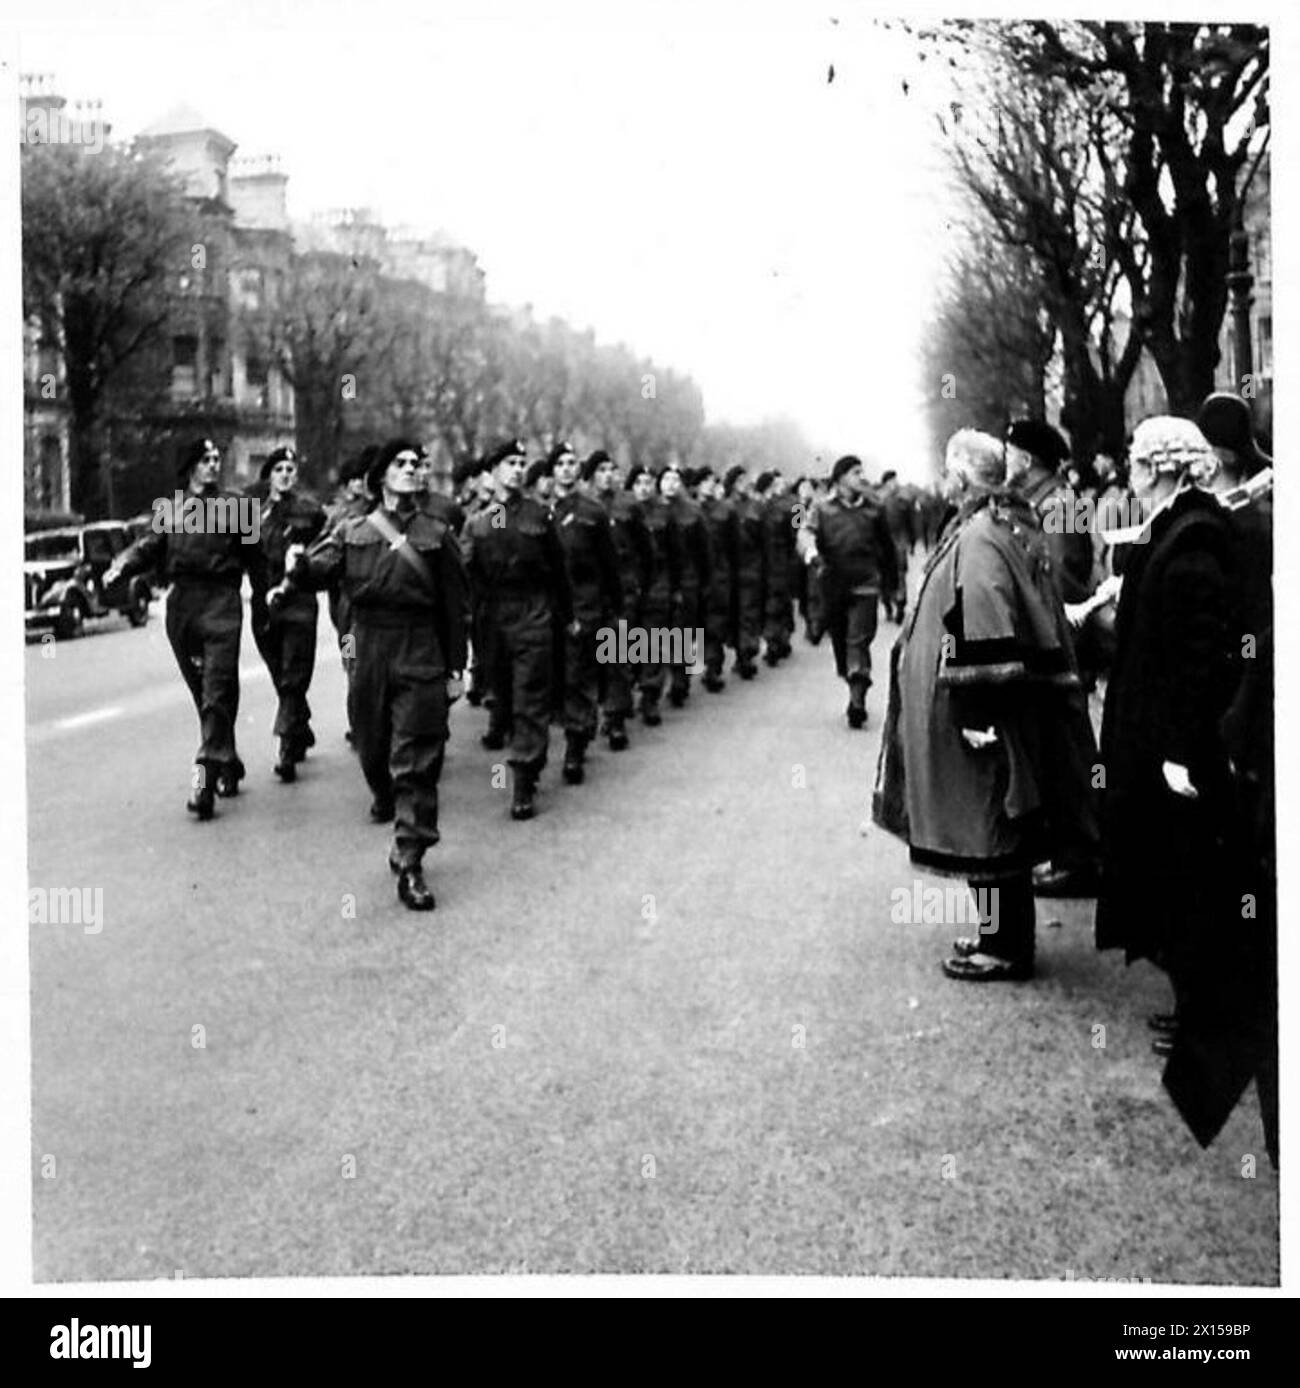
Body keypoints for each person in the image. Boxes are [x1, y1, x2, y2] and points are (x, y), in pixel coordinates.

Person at [873, 429, 1099, 982]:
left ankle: (1005, 947)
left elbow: (986, 618)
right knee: (998, 823)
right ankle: (1000, 935)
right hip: (995, 709)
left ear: (960, 477)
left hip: (978, 714)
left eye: (950, 471)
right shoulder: (1004, 521)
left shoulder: (980, 535)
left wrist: (978, 715)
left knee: (989, 829)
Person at [273, 439, 468, 910]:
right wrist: (295, 571)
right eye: (400, 465)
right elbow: (320, 569)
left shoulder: (437, 534)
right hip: (368, 646)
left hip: (420, 646)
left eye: (416, 465)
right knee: (373, 746)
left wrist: (455, 667)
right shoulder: (352, 529)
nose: (411, 471)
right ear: (381, 476)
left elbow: (455, 607)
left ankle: (411, 855)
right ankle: (387, 800)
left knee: (417, 757)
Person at [103, 437, 252, 818]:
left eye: (217, 458)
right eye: (206, 459)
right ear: (190, 467)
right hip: (182, 606)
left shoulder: (237, 507)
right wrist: (120, 566)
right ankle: (227, 759)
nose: (214, 465)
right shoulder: (170, 509)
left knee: (217, 691)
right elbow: (148, 546)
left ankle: (204, 779)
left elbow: (258, 557)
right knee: (205, 693)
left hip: (222, 603)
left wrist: (270, 595)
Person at [462, 438, 572, 819]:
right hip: (494, 620)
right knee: (504, 697)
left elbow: (559, 572)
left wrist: (566, 616)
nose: (517, 468)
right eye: (509, 462)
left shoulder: (540, 516)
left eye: (522, 462)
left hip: (533, 614)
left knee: (530, 700)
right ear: (493, 472)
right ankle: (521, 758)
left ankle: (523, 779)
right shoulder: (481, 520)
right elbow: (467, 574)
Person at [247, 445, 327, 781]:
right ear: (268, 476)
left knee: (294, 674)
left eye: (290, 470)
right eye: (278, 469)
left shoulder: (310, 511)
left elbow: (325, 546)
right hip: (263, 604)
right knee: (280, 673)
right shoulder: (252, 513)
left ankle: (285, 749)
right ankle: (300, 726)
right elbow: (243, 554)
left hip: (299, 602)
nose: (285, 475)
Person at [802, 455, 898, 729]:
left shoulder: (874, 509)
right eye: (856, 472)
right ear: (840, 477)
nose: (862, 477)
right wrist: (810, 552)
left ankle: (857, 699)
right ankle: (852, 676)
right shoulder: (820, 508)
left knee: (858, 640)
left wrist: (891, 584)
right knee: (842, 643)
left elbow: (887, 548)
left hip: (866, 583)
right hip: (833, 585)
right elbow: (804, 533)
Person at [550, 441, 623, 783]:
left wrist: (616, 609)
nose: (566, 469)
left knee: (579, 679)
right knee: (550, 682)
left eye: (571, 463)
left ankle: (575, 749)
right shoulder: (539, 511)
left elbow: (610, 567)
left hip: (584, 607)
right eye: (559, 464)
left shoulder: (593, 512)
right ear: (551, 472)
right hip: (545, 611)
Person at [588, 449, 649, 749]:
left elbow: (645, 548)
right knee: (592, 658)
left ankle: (615, 719)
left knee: (617, 655)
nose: (608, 475)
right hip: (587, 592)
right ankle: (594, 714)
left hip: (622, 589)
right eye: (600, 470)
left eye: (611, 469)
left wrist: (639, 584)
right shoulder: (581, 506)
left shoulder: (629, 505)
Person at [628, 462, 680, 725]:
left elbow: (676, 552)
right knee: (623, 643)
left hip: (658, 582)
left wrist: (676, 587)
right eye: (638, 483)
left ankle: (650, 696)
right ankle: (624, 696)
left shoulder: (664, 514)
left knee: (653, 643)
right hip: (628, 583)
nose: (644, 488)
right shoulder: (622, 512)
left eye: (648, 482)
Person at [661, 462, 710, 704]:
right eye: (666, 479)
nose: (670, 484)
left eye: (674, 479)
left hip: (689, 577)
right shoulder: (653, 510)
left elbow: (704, 549)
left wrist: (705, 579)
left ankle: (682, 679)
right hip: (660, 579)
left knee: (685, 630)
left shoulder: (693, 511)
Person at [724, 465, 765, 679]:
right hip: (728, 569)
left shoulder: (759, 506)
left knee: (750, 612)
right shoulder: (727, 507)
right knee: (726, 616)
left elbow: (792, 530)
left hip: (753, 566)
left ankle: (749, 651)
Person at [759, 471, 797, 663]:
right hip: (769, 561)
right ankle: (777, 639)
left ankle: (777, 640)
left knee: (778, 600)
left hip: (781, 559)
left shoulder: (793, 504)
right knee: (776, 601)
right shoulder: (763, 507)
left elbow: (797, 533)